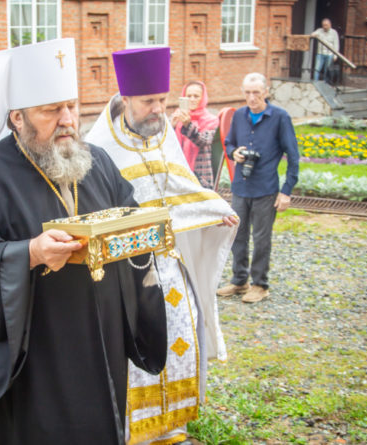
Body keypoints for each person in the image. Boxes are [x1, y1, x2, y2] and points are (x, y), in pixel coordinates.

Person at [0, 38, 168, 444]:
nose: (67, 119)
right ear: (16, 117)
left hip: (101, 339)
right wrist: (29, 253)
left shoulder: (97, 161)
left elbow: (129, 218)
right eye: (51, 110)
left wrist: (144, 232)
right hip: (37, 354)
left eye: (71, 106)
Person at [85, 47, 238, 445]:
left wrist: (213, 209)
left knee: (181, 337)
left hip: (170, 264)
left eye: (162, 100)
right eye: (149, 101)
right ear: (126, 100)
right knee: (135, 350)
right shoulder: (100, 146)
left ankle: (173, 428)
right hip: (127, 272)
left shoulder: (162, 132)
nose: (159, 109)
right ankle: (134, 431)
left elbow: (181, 187)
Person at [217, 72, 299, 303]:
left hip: (266, 189)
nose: (251, 98)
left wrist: (286, 192)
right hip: (241, 187)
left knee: (262, 238)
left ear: (266, 92)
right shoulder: (240, 115)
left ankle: (260, 285)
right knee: (237, 235)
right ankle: (239, 281)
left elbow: (293, 156)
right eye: (247, 93)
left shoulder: (280, 117)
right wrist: (234, 153)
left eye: (256, 93)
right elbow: (229, 142)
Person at [170, 80, 220, 188]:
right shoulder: (177, 117)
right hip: (179, 174)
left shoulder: (211, 120)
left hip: (201, 177)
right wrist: (172, 127)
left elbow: (204, 141)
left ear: (203, 98)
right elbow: (167, 145)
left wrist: (188, 125)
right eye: (189, 96)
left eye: (196, 96)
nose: (192, 99)